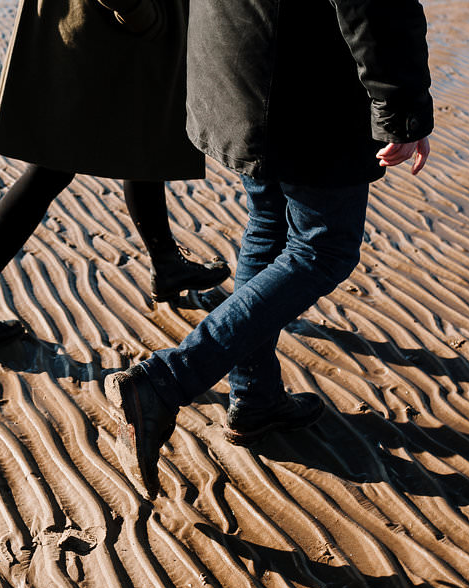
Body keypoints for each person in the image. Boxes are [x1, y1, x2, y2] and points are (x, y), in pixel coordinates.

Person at [105, 0, 434, 496]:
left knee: (270, 225)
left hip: (236, 52)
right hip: (305, 79)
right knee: (323, 250)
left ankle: (255, 398)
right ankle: (167, 379)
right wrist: (401, 109)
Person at [0, 0, 230, 345]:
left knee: (145, 141)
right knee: (53, 166)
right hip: (105, 30)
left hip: (110, 29)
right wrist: (137, 12)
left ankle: (167, 264)